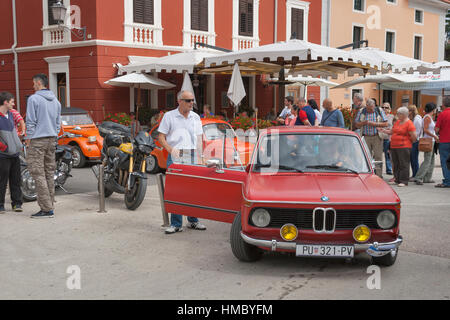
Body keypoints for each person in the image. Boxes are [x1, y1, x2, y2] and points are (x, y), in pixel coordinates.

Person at [158, 90, 207, 234]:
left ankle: (193, 221)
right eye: (188, 100)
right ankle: (176, 224)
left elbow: (199, 139)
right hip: (176, 154)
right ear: (179, 101)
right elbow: (161, 137)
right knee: (176, 190)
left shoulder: (195, 117)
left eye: (192, 100)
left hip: (192, 154)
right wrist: (170, 149)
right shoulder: (169, 116)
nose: (191, 103)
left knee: (193, 189)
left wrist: (201, 155)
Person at [25, 74, 61, 218]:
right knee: (48, 173)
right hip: (52, 139)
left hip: (38, 140)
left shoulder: (34, 99)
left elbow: (31, 121)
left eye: (34, 83)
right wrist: (53, 134)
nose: (33, 86)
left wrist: (28, 139)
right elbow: (58, 123)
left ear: (39, 83)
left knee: (37, 173)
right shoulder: (56, 101)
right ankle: (49, 204)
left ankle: (46, 209)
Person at [379, 107, 417, 187]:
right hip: (394, 146)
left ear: (403, 115)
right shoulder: (398, 122)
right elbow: (392, 131)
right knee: (396, 163)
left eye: (398, 114)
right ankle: (397, 179)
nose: (397, 115)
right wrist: (384, 130)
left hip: (404, 146)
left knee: (404, 164)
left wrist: (409, 142)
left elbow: (414, 136)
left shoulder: (409, 123)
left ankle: (403, 180)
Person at [0, 92, 23, 213]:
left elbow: (17, 127)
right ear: (5, 102)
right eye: (12, 102)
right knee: (2, 181)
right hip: (3, 155)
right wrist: (3, 148)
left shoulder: (11, 114)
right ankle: (0, 205)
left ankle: (17, 204)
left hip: (14, 153)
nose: (13, 104)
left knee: (16, 180)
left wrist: (18, 144)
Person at [355, 98, 388, 177]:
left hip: (377, 136)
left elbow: (386, 124)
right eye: (369, 109)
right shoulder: (361, 111)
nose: (371, 110)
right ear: (366, 106)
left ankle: (379, 175)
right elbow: (356, 125)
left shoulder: (379, 110)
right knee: (366, 157)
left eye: (372, 108)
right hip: (366, 137)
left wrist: (375, 124)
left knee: (378, 157)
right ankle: (368, 174)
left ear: (374, 106)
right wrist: (364, 123)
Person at [414, 103, 439, 185]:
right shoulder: (427, 117)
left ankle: (427, 178)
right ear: (433, 109)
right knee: (427, 160)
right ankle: (419, 177)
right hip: (429, 140)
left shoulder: (429, 117)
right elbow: (426, 130)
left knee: (431, 160)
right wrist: (434, 136)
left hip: (431, 140)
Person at [435, 96, 450, 188]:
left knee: (445, 161)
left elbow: (436, 129)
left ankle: (447, 181)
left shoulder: (442, 114)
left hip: (445, 141)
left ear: (443, 104)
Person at [408, 105, 423, 178]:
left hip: (415, 141)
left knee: (414, 159)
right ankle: (414, 174)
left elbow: (418, 130)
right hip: (412, 141)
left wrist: (414, 138)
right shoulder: (413, 118)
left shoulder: (417, 119)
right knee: (412, 159)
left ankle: (416, 174)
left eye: (409, 111)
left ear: (412, 111)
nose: (408, 112)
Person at [380, 103, 394, 175]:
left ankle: (389, 169)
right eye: (383, 107)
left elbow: (394, 127)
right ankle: (378, 170)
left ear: (389, 109)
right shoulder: (379, 116)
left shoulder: (392, 117)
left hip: (388, 138)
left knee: (387, 154)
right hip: (379, 137)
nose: (384, 109)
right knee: (378, 155)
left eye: (386, 107)